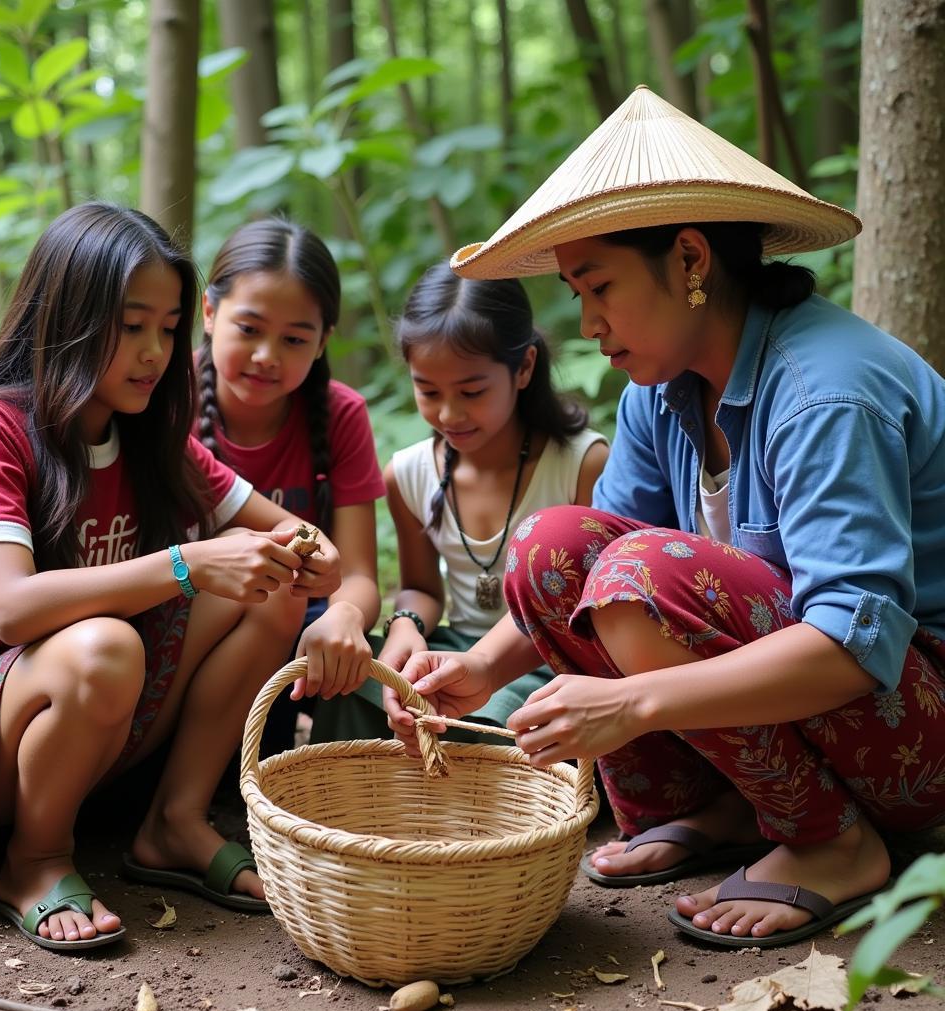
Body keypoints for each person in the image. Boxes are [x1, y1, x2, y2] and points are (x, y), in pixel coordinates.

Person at [387, 86, 945, 949]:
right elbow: (577, 568)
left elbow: (854, 639)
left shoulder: (826, 392)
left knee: (643, 579)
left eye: (599, 285)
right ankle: (730, 807)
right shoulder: (660, 391)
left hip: (915, 726)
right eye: (575, 292)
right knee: (550, 546)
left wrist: (637, 703)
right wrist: (481, 670)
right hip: (818, 716)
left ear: (690, 259)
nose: (589, 322)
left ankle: (832, 842)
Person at [0, 202, 341, 953]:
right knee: (107, 646)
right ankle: (34, 860)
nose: (155, 351)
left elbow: (296, 537)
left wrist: (308, 554)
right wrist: (184, 565)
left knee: (271, 584)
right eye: (131, 324)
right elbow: (12, 610)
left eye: (170, 327)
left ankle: (174, 823)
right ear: (69, 317)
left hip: (98, 714)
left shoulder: (148, 437)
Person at [310, 260, 608, 742]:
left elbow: (584, 611)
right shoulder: (408, 474)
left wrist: (480, 663)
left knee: (502, 716)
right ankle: (347, 795)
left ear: (524, 367)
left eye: (472, 391)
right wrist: (407, 627)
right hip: (452, 646)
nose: (449, 413)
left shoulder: (579, 464)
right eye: (427, 390)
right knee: (352, 680)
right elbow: (423, 589)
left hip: (544, 657)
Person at [195, 218, 383, 753]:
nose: (266, 356)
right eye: (249, 329)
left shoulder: (340, 414)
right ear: (210, 313)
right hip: (189, 628)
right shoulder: (166, 405)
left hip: (299, 637)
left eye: (294, 338)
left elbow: (360, 573)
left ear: (323, 342)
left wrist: (345, 614)